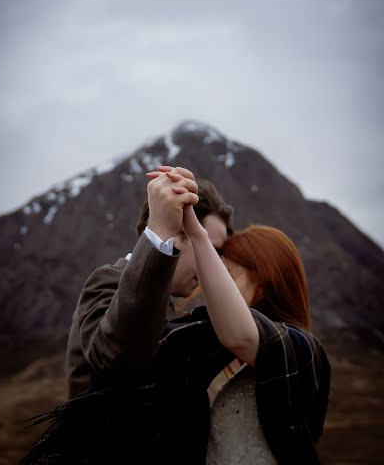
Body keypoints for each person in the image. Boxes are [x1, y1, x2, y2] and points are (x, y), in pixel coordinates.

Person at [19, 166, 234, 464]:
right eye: (206, 247)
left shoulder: (170, 305)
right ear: (177, 231)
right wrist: (159, 234)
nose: (215, 264)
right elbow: (117, 358)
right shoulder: (109, 280)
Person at [163, 167, 331, 464]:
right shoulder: (213, 348)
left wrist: (197, 235)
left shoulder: (302, 348)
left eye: (227, 275)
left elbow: (241, 335)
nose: (212, 289)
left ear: (264, 279)